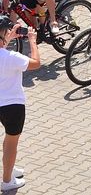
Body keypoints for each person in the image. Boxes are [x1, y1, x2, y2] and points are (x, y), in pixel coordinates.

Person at [0, 14, 37, 192]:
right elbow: (36, 63)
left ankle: (9, 168)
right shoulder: (12, 57)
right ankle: (7, 181)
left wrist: (6, 39)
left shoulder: (6, 54)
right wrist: (32, 41)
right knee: (11, 143)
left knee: (7, 141)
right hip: (13, 106)